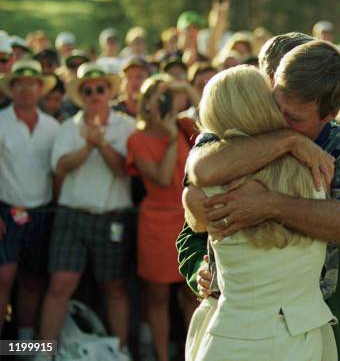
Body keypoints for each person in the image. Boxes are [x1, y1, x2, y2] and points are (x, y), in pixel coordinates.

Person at [179, 36, 340, 361]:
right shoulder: (231, 133)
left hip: (315, 320)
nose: (279, 120)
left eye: (295, 120)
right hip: (232, 317)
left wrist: (270, 204)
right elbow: (199, 176)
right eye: (277, 107)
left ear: (330, 114)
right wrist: (288, 141)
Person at [38, 63, 135, 355]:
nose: (94, 95)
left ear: (109, 92)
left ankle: (121, 350)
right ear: (81, 95)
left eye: (100, 89)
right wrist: (88, 146)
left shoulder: (127, 126)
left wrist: (100, 144)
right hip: (72, 215)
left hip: (112, 217)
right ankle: (43, 351)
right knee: (60, 285)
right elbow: (60, 167)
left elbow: (123, 170)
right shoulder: (68, 127)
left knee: (115, 286)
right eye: (88, 91)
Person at [126, 74, 198, 361]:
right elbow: (162, 176)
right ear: (145, 105)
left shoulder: (185, 127)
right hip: (155, 221)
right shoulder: (138, 139)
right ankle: (160, 355)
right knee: (157, 295)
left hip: (188, 218)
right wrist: (169, 141)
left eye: (168, 98)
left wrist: (186, 88)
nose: (166, 103)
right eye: (159, 99)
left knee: (192, 292)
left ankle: (192, 353)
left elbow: (210, 113)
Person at [0, 59, 58, 338]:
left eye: (32, 84)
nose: (25, 89)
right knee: (4, 277)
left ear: (40, 89)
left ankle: (22, 346)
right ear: (11, 89)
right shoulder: (0, 121)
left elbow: (57, 174)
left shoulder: (52, 127)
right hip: (5, 211)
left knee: (32, 281)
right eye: (19, 84)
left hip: (42, 212)